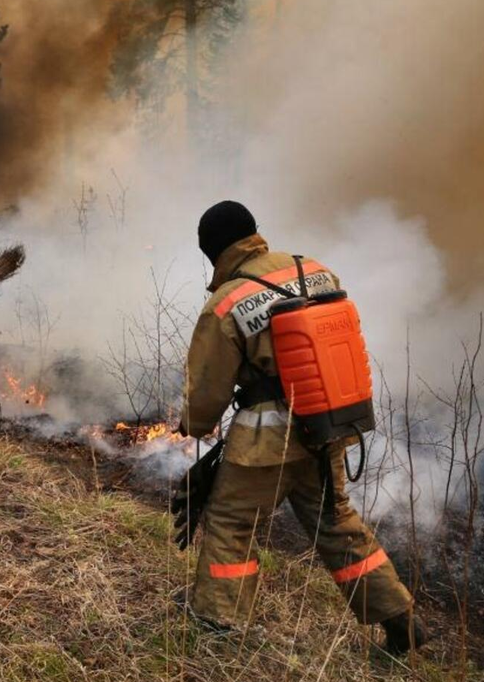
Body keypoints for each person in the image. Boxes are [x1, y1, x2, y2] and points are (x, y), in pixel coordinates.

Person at [179, 200, 426, 655]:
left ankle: (218, 625)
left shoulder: (226, 301)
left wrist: (193, 425)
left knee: (232, 524)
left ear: (213, 252)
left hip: (263, 444)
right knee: (337, 525)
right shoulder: (314, 270)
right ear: (253, 233)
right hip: (325, 426)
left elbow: (208, 391)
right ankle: (399, 617)